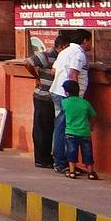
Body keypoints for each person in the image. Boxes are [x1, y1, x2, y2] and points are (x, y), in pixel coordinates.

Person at [49, 29, 92, 174]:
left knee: (62, 127)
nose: (90, 44)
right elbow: (73, 74)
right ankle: (61, 163)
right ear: (85, 41)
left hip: (57, 90)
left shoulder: (64, 51)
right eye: (89, 41)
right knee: (64, 129)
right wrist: (73, 98)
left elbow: (53, 72)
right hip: (67, 94)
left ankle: (65, 162)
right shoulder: (79, 53)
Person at [25, 32, 70, 168]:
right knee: (42, 128)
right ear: (60, 46)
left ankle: (49, 157)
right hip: (43, 96)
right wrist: (37, 77)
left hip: (54, 96)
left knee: (51, 127)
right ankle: (41, 159)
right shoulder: (47, 55)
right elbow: (28, 63)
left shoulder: (63, 57)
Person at [61, 79, 98, 180]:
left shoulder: (64, 102)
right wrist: (91, 125)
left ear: (67, 92)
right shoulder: (85, 103)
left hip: (70, 132)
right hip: (84, 132)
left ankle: (72, 171)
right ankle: (91, 172)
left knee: (71, 152)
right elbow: (94, 115)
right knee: (87, 153)